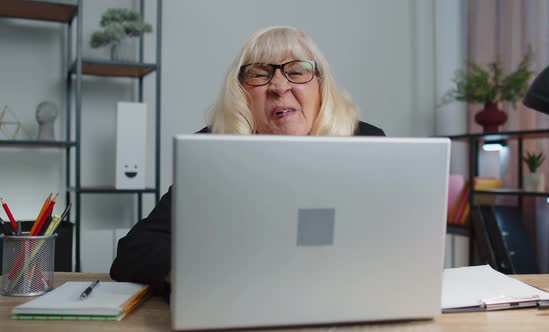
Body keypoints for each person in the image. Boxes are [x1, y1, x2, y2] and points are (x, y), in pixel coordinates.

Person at [110, 26, 385, 296]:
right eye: (259, 74)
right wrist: (207, 277)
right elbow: (135, 250)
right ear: (242, 94)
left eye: (297, 71)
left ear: (321, 85)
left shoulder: (367, 141)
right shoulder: (212, 151)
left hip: (345, 299)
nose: (279, 87)